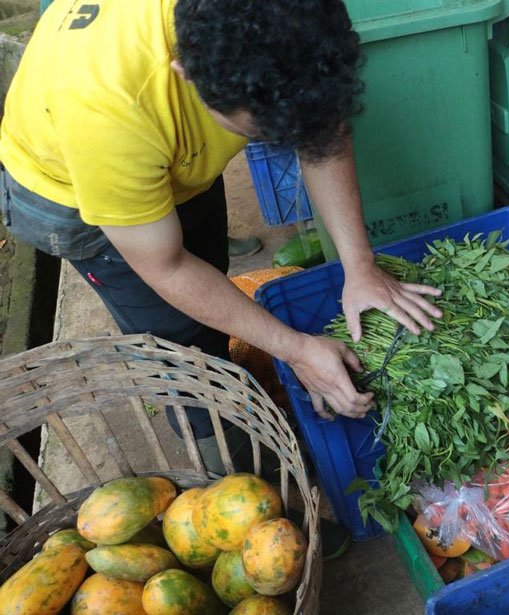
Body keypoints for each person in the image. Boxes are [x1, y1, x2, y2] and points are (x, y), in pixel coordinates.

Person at [0, 0, 441, 556]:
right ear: (188, 74)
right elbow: (165, 267)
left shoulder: (283, 23)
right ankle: (255, 504)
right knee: (188, 351)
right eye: (262, 130)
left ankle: (181, 228)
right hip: (63, 190)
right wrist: (296, 348)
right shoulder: (108, 108)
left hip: (163, 150)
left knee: (201, 250)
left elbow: (320, 128)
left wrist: (361, 267)